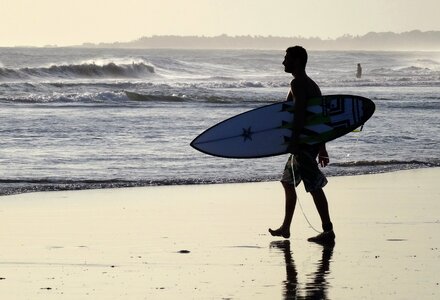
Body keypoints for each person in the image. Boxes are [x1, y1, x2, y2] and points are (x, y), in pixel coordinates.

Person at [269, 46, 335, 245]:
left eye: (287, 58)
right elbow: (319, 117)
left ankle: (328, 231)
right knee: (288, 181)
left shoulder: (298, 84)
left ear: (297, 61)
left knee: (314, 186)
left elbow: (298, 115)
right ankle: (286, 227)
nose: (283, 62)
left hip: (303, 144)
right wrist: (322, 147)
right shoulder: (311, 85)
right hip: (309, 142)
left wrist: (294, 142)